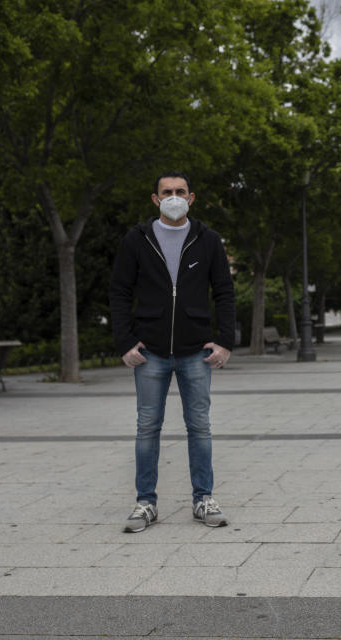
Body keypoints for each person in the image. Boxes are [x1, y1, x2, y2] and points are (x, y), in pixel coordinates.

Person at [109, 171, 236, 533]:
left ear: (191, 198)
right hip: (150, 352)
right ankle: (145, 503)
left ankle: (203, 499)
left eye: (180, 191)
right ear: (155, 199)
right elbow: (119, 291)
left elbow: (224, 292)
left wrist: (225, 341)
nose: (174, 197)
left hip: (197, 350)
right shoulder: (137, 240)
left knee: (200, 426)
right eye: (167, 192)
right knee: (147, 427)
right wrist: (125, 341)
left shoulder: (207, 239)